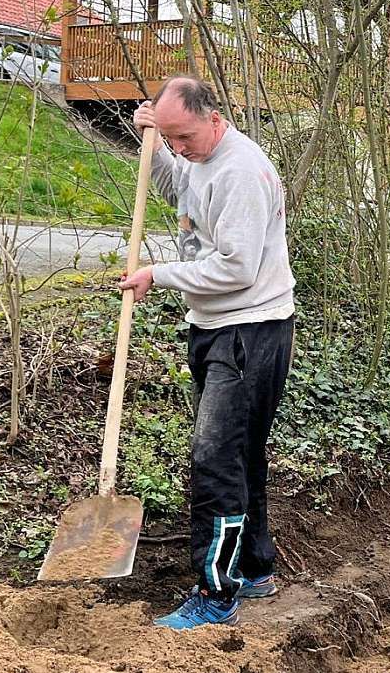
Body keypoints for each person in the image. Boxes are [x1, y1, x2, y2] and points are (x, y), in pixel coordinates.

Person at [119, 76, 295, 630]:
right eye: (169, 138)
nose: (179, 148)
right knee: (239, 452)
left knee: (214, 457)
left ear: (213, 118)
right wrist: (148, 142)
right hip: (220, 326)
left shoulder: (240, 170)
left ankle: (217, 591)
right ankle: (255, 566)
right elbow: (182, 190)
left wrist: (159, 273)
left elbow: (238, 267)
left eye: (183, 137)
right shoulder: (198, 155)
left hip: (248, 331)